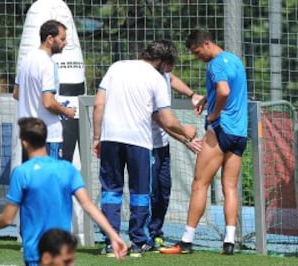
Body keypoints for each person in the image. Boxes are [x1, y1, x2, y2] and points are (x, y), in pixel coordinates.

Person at [93, 39, 198, 257]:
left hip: (110, 137)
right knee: (140, 192)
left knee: (111, 190)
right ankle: (139, 240)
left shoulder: (117, 67)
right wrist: (185, 132)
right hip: (138, 141)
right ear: (161, 60)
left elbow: (99, 103)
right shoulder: (156, 78)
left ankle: (111, 241)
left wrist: (97, 136)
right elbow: (166, 118)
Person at [0, 117, 128, 265]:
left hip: (36, 254)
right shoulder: (67, 169)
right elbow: (88, 206)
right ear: (45, 139)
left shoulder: (22, 172)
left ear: (24, 142)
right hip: (62, 253)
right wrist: (113, 236)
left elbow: (7, 218)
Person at [169, 29, 248, 255]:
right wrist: (207, 98)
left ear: (206, 43)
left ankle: (186, 241)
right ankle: (229, 241)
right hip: (240, 132)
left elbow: (224, 90)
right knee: (229, 187)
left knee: (199, 183)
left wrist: (213, 115)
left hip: (221, 129)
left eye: (197, 52)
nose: (197, 57)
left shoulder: (215, 64)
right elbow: (227, 91)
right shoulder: (234, 60)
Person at [149, 65, 205, 248]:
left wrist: (192, 94)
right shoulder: (148, 81)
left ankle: (156, 231)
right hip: (147, 144)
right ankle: (142, 234)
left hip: (163, 145)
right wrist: (186, 139)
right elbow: (161, 120)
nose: (171, 68)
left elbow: (172, 79)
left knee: (164, 190)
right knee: (150, 191)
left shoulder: (165, 74)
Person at [13, 20, 76, 161]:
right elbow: (48, 103)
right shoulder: (48, 64)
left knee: (31, 179)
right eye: (62, 39)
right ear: (50, 39)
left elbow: (17, 94)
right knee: (50, 180)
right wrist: (66, 111)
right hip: (48, 135)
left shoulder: (26, 60)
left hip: (28, 134)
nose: (65, 43)